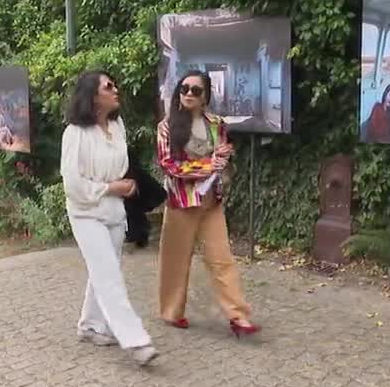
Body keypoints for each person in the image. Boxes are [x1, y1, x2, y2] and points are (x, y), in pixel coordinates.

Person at [60, 70, 158, 366]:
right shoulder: (74, 133)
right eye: (109, 86)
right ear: (92, 95)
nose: (116, 90)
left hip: (114, 211)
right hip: (86, 213)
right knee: (109, 276)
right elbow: (73, 184)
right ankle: (135, 339)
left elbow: (122, 166)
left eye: (115, 85)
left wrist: (125, 185)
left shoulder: (118, 127)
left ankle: (90, 325)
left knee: (105, 270)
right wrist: (109, 187)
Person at [156, 70, 259, 338]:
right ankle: (171, 311)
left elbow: (222, 152)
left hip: (211, 202)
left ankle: (239, 317)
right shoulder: (166, 127)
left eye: (196, 90)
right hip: (181, 203)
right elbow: (169, 165)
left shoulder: (216, 123)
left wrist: (224, 155)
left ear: (205, 98)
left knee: (222, 259)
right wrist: (206, 165)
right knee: (175, 261)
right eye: (184, 89)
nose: (189, 94)